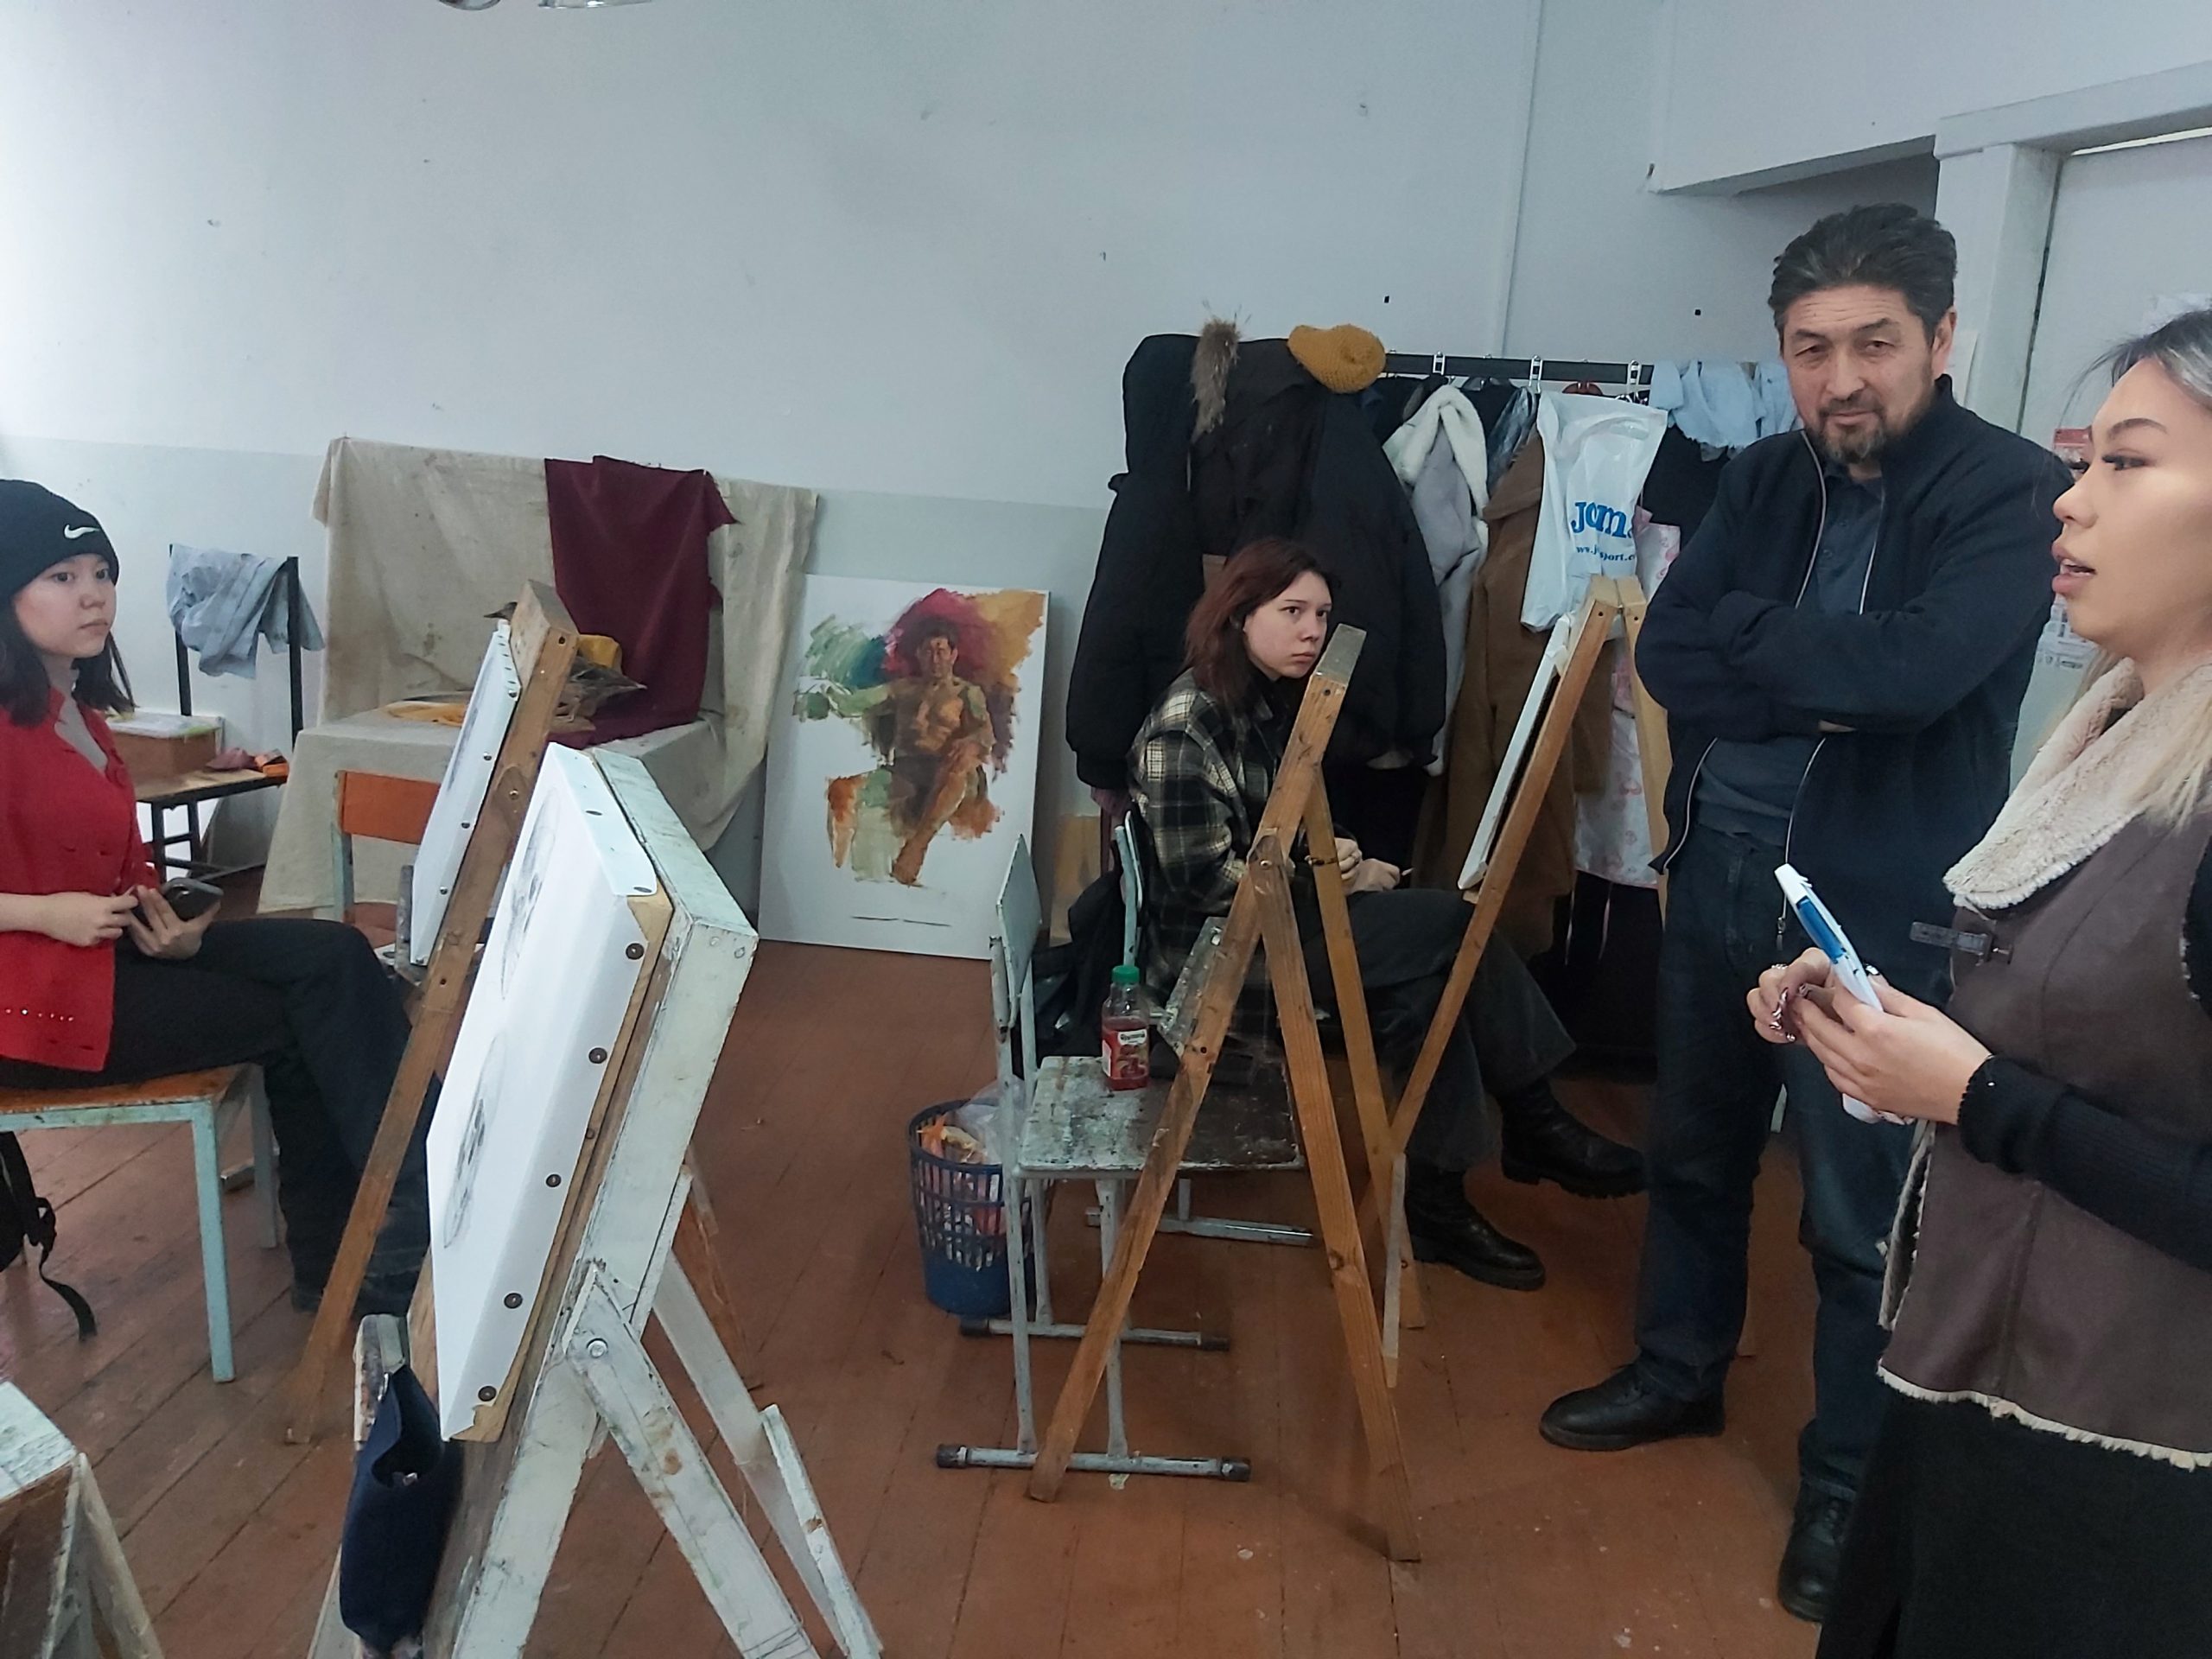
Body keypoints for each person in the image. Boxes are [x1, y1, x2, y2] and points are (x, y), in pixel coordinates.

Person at [1538, 204, 2074, 1622]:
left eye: (1874, 344)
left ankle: (1845, 1487)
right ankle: (1678, 1371)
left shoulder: (2012, 492)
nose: (1841, 379)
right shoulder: (1765, 476)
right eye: (1810, 347)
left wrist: (1777, 653)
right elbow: (1673, 656)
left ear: (1942, 338)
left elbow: (1918, 677)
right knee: (1695, 1150)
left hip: (1874, 904)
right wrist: (1823, 666)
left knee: (1855, 1217)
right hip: (1719, 864)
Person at [1749, 310, 2212, 1658]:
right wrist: (1893, 1018)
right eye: (2084, 459)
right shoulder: (2113, 735)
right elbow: (2100, 1025)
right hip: (1981, 1365)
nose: (2070, 499)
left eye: (2128, 463)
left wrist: (1979, 1094)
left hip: (2123, 1449)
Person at [1128, 537, 1642, 1291]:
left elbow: (1270, 827)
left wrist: (1329, 851)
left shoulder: (1260, 701)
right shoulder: (1186, 725)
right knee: (1456, 926)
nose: (1313, 631)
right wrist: (1334, 880)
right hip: (1224, 962)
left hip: (1275, 927)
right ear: (1239, 615)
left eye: (1322, 615)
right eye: (1293, 612)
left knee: (1430, 994)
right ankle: (1536, 1119)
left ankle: (1439, 1204)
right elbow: (1205, 883)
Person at [0, 481, 429, 1316]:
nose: (93, 595)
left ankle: (399, 1215)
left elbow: (124, 869)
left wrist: (171, 923)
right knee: (302, 1018)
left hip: (106, 958)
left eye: (101, 572)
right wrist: (45, 913)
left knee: (336, 954)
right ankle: (375, 1245)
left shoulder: (84, 716)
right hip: (32, 1005)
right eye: (60, 576)